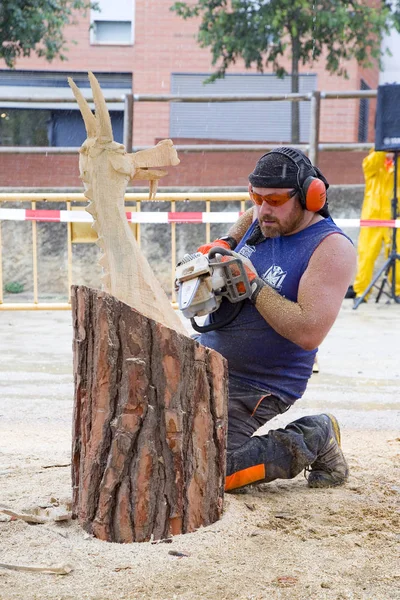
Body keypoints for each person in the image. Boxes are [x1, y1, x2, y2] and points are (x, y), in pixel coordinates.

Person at [187, 147, 356, 492]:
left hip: (260, 383)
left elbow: (308, 332)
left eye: (275, 200)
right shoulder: (264, 218)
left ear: (311, 197)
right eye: (257, 197)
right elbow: (252, 214)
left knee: (213, 471)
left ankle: (315, 434)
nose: (264, 209)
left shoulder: (330, 248)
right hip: (205, 357)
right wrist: (228, 240)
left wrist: (252, 284)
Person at [346, 149, 400, 301]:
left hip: (394, 217)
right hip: (372, 217)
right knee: (366, 255)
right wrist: (382, 151)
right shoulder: (373, 160)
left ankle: (398, 290)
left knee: (397, 255)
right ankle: (362, 291)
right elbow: (369, 165)